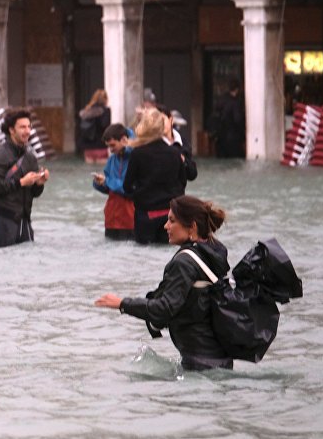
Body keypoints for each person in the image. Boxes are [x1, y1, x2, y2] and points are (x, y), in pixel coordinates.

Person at [95, 195, 232, 372]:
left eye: (172, 221)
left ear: (192, 227)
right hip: (219, 358)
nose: (166, 226)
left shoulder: (184, 263)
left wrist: (122, 304)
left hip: (200, 363)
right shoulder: (212, 252)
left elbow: (165, 308)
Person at [0, 109, 49, 248]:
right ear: (11, 130)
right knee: (6, 262)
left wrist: (39, 184)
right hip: (4, 219)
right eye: (22, 127)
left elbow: (35, 193)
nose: (27, 131)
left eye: (29, 127)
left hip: (25, 220)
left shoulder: (30, 157)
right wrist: (21, 182)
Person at [122, 108, 186, 245]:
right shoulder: (175, 153)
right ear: (162, 127)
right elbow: (182, 183)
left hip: (146, 214)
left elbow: (127, 186)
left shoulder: (137, 153)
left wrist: (139, 196)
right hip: (171, 215)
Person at [91, 123, 134, 240]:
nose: (111, 149)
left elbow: (130, 188)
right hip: (111, 219)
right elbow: (109, 187)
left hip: (130, 219)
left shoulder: (135, 158)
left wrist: (107, 181)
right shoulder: (111, 160)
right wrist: (100, 183)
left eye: (113, 145)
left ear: (124, 140)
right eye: (108, 146)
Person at [212, 80, 245, 158]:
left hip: (220, 138)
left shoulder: (221, 100)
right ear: (237, 89)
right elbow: (237, 120)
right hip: (232, 139)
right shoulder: (235, 103)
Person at [79, 89, 111, 163]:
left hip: (88, 147)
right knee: (101, 172)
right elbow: (105, 126)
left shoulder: (86, 111)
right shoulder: (106, 110)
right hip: (101, 146)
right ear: (105, 99)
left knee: (89, 172)